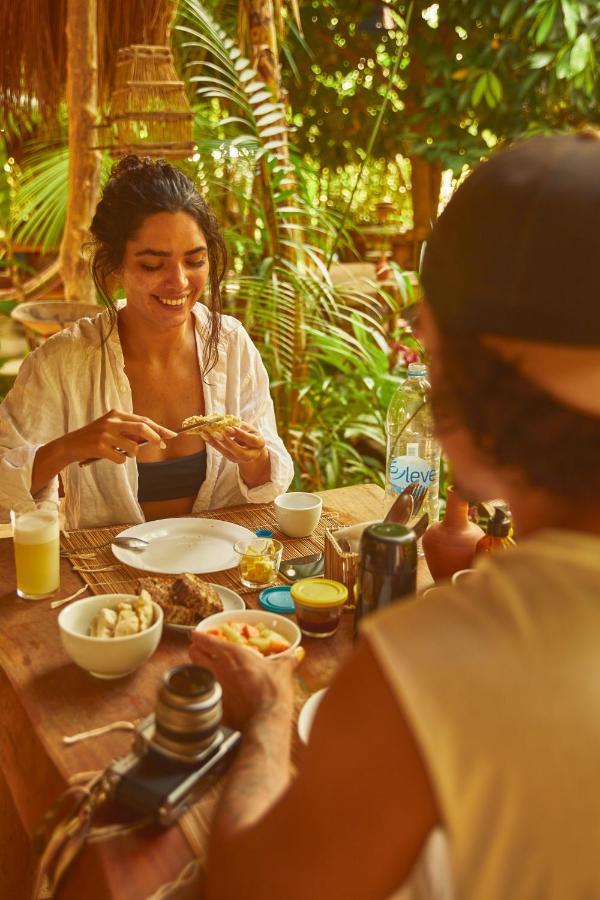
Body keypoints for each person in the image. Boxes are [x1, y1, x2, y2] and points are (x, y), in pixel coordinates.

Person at [190, 130, 600, 900]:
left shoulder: (441, 662)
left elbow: (251, 886)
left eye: (428, 342)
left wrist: (273, 710)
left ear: (464, 386)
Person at [0, 156, 293, 528]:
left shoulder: (231, 346)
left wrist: (254, 458)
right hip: (107, 577)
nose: (180, 282)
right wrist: (69, 447)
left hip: (225, 570)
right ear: (115, 267)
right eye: (152, 265)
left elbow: (269, 481)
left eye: (195, 261)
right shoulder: (62, 362)